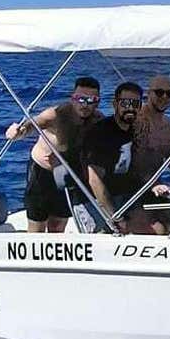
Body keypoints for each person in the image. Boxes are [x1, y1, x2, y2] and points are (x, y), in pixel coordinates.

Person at [6, 75, 101, 231]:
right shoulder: (57, 114)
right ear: (73, 98)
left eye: (91, 100)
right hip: (42, 173)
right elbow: (32, 124)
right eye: (80, 98)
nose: (85, 104)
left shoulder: (97, 120)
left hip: (67, 174)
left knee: (58, 225)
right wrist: (19, 131)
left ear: (97, 101)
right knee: (37, 225)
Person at [79, 81, 153, 232]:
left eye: (135, 103)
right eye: (125, 103)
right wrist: (115, 217)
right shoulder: (100, 133)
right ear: (115, 104)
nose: (130, 108)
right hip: (94, 199)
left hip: (123, 194)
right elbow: (94, 180)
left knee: (160, 227)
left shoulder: (135, 130)